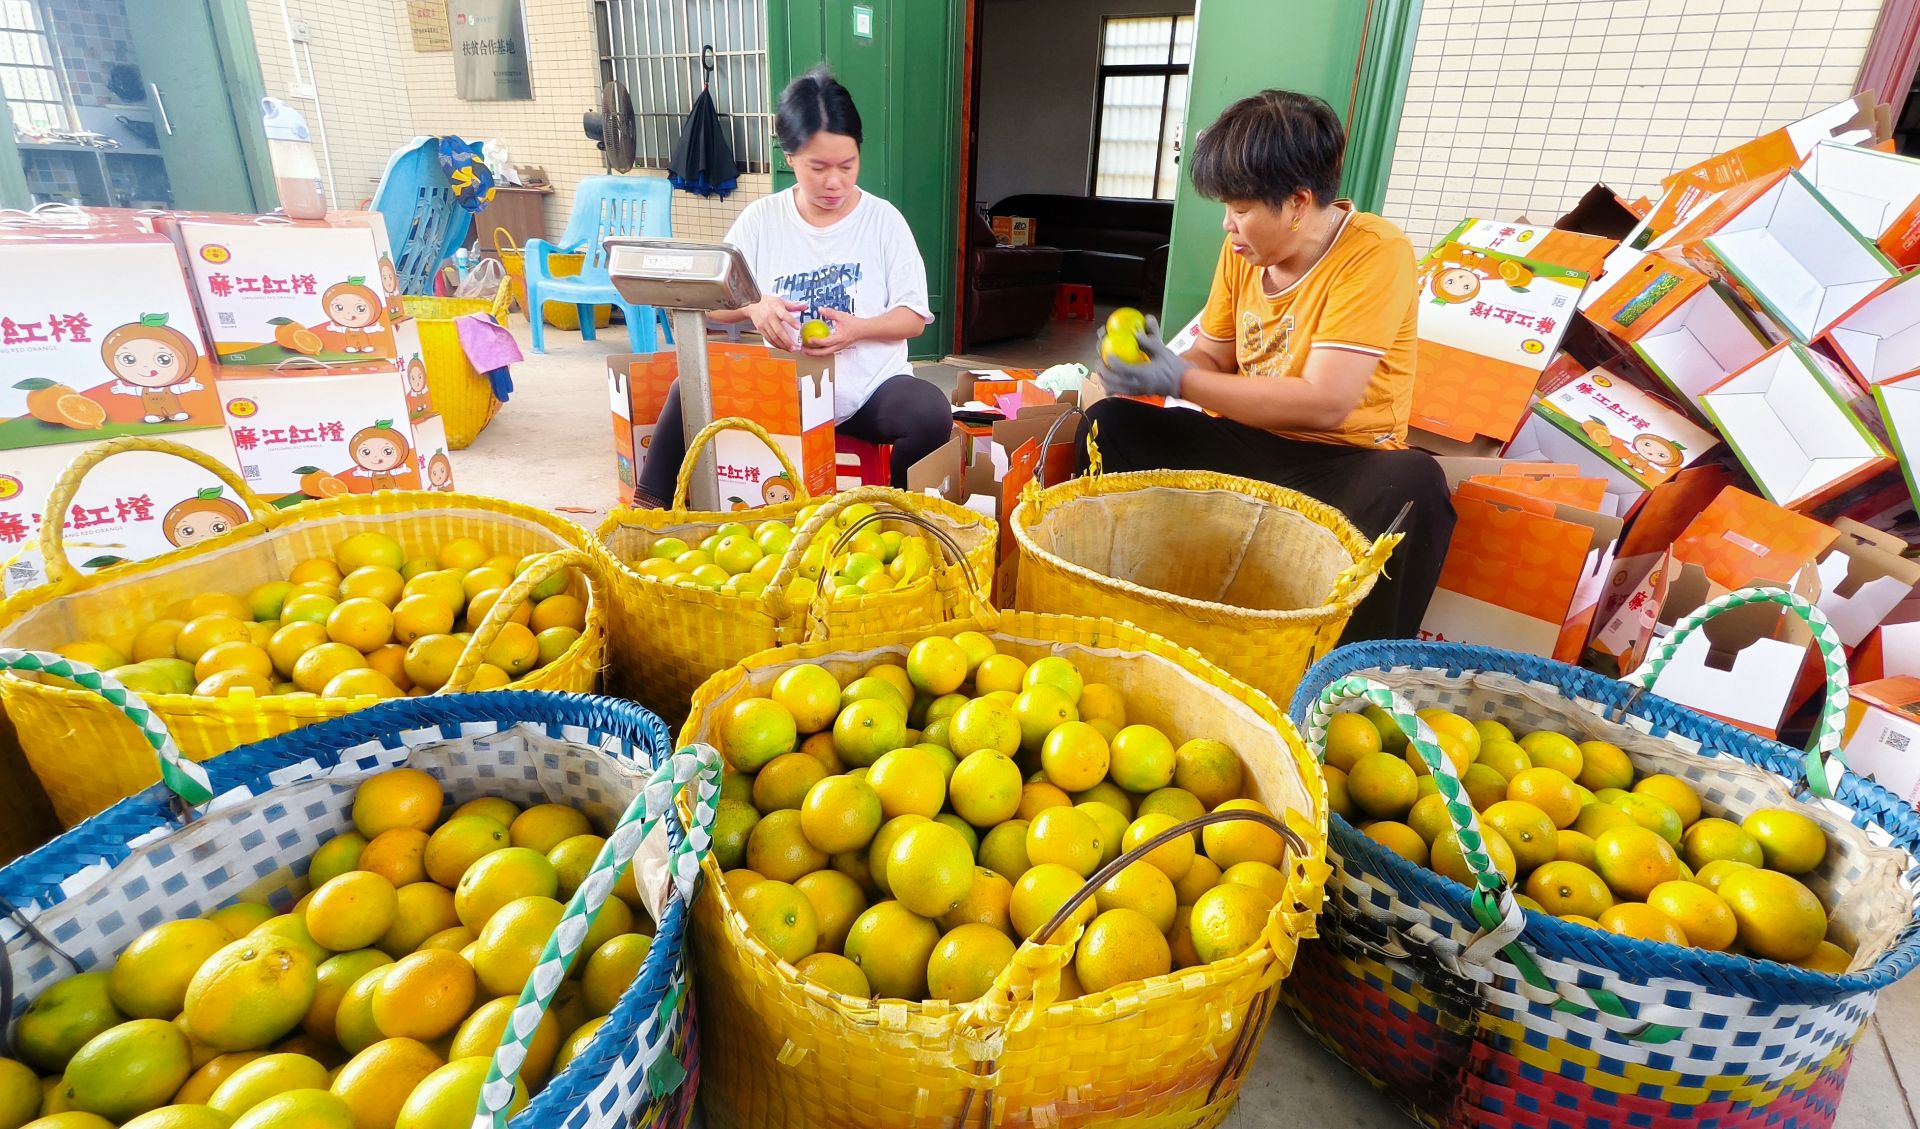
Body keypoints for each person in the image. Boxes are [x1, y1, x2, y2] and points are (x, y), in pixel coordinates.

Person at [1079, 90, 1452, 641]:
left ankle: (1341, 670)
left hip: (1341, 463)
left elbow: (1327, 403)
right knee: (1112, 423)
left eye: (1242, 209)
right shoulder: (1243, 256)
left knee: (1416, 485)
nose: (1228, 226)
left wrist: (1179, 379)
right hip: (1249, 443)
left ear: (1298, 203)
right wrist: (1154, 367)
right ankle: (1136, 600)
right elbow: (1213, 357)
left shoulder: (1376, 252)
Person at [636, 66, 951, 505]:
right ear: (789, 158)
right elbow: (708, 306)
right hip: (783, 393)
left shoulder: (883, 222)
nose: (835, 181)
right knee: (686, 387)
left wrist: (857, 330)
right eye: (817, 167)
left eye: (847, 164)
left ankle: (895, 514)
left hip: (868, 394)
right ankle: (645, 511)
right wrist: (754, 305)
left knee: (931, 412)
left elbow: (914, 317)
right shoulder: (762, 221)